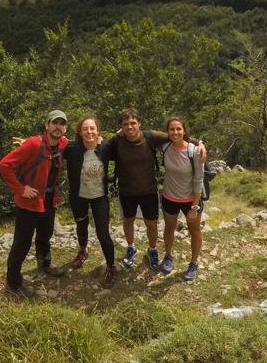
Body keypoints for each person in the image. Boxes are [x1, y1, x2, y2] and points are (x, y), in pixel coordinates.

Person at [101, 108, 206, 271]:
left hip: (149, 191)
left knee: (152, 224)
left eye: (133, 123)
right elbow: (100, 147)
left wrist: (199, 143)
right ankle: (131, 247)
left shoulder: (150, 136)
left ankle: (153, 249)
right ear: (121, 127)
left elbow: (177, 135)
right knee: (128, 221)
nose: (130, 127)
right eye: (125, 124)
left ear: (139, 123)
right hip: (126, 191)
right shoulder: (117, 141)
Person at [0, 109, 70, 296]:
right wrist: (21, 189)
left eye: (62, 124)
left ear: (65, 128)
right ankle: (13, 283)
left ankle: (44, 265)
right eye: (54, 123)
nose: (58, 127)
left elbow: (83, 145)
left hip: (49, 200)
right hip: (28, 203)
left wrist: (102, 140)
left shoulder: (63, 143)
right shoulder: (34, 143)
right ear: (46, 125)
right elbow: (4, 165)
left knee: (45, 236)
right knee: (21, 243)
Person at [63, 116, 117, 288]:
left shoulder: (106, 147)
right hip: (78, 195)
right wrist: (29, 144)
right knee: (81, 224)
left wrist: (194, 141)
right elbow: (50, 146)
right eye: (85, 129)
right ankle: (83, 250)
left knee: (103, 233)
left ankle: (110, 266)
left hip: (99, 197)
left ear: (98, 131)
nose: (89, 132)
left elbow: (130, 139)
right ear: (80, 132)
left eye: (92, 128)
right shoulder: (72, 148)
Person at [159, 116, 205, 281]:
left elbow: (199, 180)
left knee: (195, 231)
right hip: (169, 197)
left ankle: (193, 263)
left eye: (179, 129)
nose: (175, 132)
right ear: (167, 132)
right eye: (172, 129)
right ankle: (168, 256)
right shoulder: (164, 147)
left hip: (190, 200)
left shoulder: (195, 151)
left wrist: (194, 207)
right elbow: (145, 136)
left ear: (184, 131)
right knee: (169, 229)